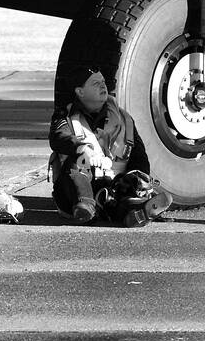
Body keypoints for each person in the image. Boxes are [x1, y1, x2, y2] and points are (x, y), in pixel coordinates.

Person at [48, 65, 171, 226]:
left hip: (113, 187)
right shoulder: (65, 116)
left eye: (103, 81)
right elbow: (58, 138)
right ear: (80, 92)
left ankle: (136, 211)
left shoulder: (124, 118)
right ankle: (86, 207)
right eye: (95, 83)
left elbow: (139, 156)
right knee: (77, 161)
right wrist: (82, 148)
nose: (102, 85)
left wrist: (139, 177)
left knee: (128, 188)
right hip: (73, 190)